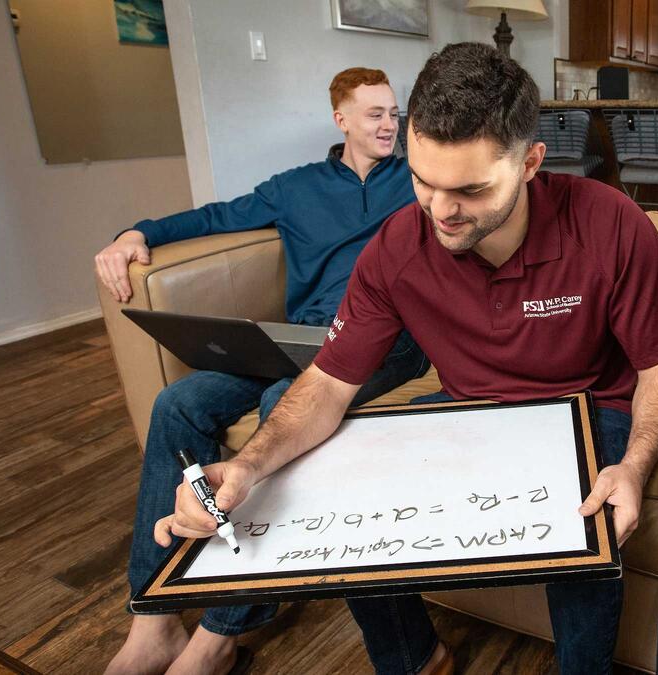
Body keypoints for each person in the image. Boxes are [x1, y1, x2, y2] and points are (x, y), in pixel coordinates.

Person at [161, 43, 658, 675]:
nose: (440, 211)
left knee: (586, 523)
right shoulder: (397, 245)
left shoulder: (610, 223)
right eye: (422, 180)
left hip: (586, 409)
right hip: (468, 409)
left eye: (469, 189)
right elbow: (329, 383)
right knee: (336, 472)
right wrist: (246, 467)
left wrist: (633, 465)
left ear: (530, 163)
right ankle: (414, 658)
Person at [102, 68, 429, 675]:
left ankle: (219, 636)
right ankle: (154, 619)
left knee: (286, 399)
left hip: (387, 340)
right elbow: (214, 217)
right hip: (295, 337)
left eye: (394, 114)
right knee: (178, 402)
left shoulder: (418, 179)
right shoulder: (295, 187)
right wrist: (135, 232)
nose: (390, 125)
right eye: (375, 114)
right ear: (341, 119)